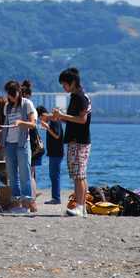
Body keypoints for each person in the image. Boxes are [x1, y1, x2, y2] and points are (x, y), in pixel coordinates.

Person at [51, 67, 92, 218]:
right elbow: (74, 118)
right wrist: (59, 116)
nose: (64, 88)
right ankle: (83, 207)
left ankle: (80, 206)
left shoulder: (80, 97)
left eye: (64, 84)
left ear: (72, 82)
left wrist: (63, 116)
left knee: (79, 175)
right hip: (78, 140)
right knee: (80, 175)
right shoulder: (78, 96)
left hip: (79, 141)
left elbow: (82, 120)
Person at [1, 80, 37, 213]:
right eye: (9, 94)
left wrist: (21, 122)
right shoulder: (7, 107)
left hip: (22, 142)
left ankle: (26, 203)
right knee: (11, 174)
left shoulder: (27, 104)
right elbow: (6, 124)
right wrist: (0, 140)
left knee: (24, 173)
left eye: (13, 93)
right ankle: (16, 202)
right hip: (9, 143)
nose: (11, 96)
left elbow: (33, 124)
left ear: (19, 91)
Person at [21, 80, 43, 201]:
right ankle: (33, 194)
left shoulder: (26, 106)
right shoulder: (31, 106)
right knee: (31, 171)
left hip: (29, 142)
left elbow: (31, 125)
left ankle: (31, 196)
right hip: (33, 141)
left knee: (29, 171)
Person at [37, 106, 64, 205]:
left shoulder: (54, 120)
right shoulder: (53, 120)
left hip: (56, 153)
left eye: (40, 118)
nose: (41, 120)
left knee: (54, 175)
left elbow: (57, 135)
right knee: (53, 175)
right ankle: (55, 197)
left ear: (43, 115)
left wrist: (47, 127)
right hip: (55, 152)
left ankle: (56, 198)